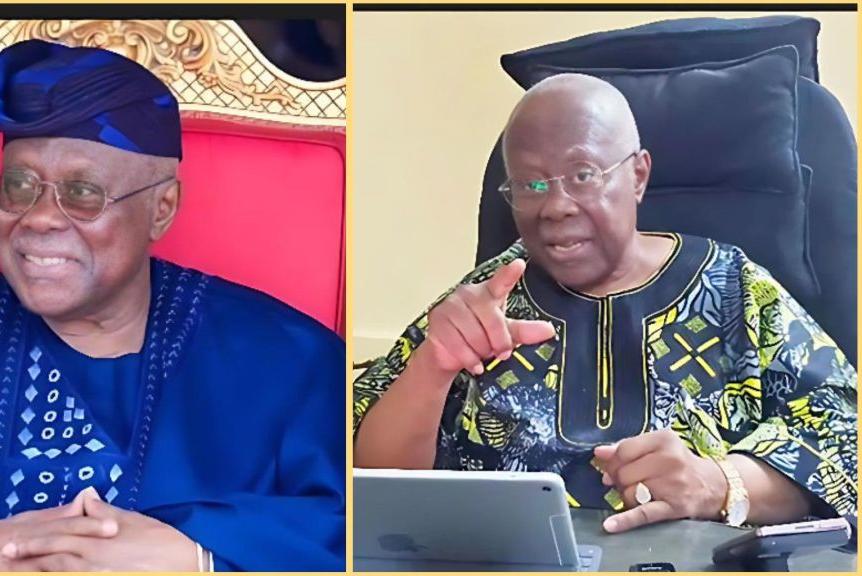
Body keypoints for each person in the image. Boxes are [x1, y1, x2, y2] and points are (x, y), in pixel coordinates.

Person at [0, 39, 345, 572]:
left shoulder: (290, 366)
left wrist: (201, 555)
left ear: (162, 209)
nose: (37, 219)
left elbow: (355, 523)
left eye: (82, 192)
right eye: (18, 186)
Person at [354, 74, 857, 534]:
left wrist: (718, 484)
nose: (555, 207)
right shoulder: (486, 299)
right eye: (530, 185)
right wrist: (431, 370)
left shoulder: (735, 288)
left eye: (583, 174)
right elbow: (364, 481)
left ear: (637, 175)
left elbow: (846, 434)